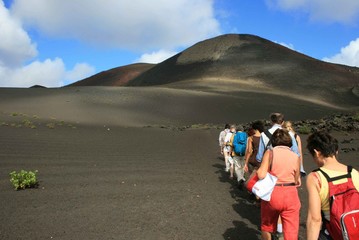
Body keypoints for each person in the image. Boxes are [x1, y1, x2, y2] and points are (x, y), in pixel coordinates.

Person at [306, 131, 359, 240]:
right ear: (336, 151)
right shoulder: (353, 172)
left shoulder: (316, 177)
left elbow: (315, 219)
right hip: (354, 229)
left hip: (332, 232)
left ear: (317, 153)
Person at [257, 129, 301, 240]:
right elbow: (297, 180)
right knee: (291, 231)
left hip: (273, 193)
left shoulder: (270, 153)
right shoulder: (295, 156)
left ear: (274, 141)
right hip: (291, 194)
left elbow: (261, 174)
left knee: (267, 226)